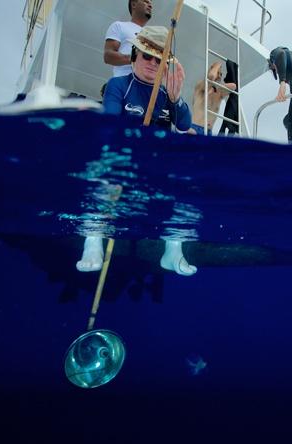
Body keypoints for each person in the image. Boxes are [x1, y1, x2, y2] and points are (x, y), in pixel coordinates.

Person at [77, 26, 197, 276]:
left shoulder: (167, 93)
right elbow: (110, 122)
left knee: (182, 186)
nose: (153, 63)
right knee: (103, 181)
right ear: (134, 56)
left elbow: (184, 124)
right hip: (122, 161)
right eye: (147, 56)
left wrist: (176, 100)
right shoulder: (118, 85)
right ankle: (93, 243)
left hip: (157, 166)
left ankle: (173, 251)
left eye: (159, 59)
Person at [104, 0, 153, 77]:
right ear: (133, 4)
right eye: (146, 1)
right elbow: (108, 56)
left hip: (145, 86)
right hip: (123, 83)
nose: (150, 6)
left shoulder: (152, 36)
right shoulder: (119, 26)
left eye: (150, 3)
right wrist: (135, 58)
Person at [188, 61, 237, 135]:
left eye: (221, 74)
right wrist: (218, 64)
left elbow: (233, 86)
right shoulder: (200, 87)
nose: (220, 76)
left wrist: (216, 86)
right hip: (195, 129)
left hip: (209, 132)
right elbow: (211, 77)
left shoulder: (219, 93)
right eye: (218, 73)